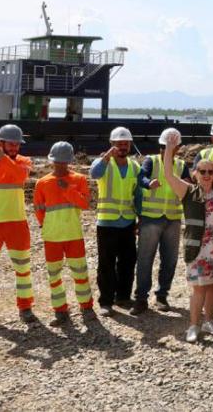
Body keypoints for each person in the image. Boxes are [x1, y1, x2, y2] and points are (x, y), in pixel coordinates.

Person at [161, 125, 213, 343]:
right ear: (195, 174)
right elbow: (168, 173)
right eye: (202, 171)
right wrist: (169, 148)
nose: (207, 175)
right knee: (198, 288)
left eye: (211, 171)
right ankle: (193, 326)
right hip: (198, 248)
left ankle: (209, 321)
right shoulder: (187, 191)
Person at [33, 142, 94, 326]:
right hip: (52, 237)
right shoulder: (42, 183)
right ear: (52, 161)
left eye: (63, 162)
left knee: (80, 272)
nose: (60, 166)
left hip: (73, 234)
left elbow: (85, 204)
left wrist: (67, 189)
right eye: (57, 162)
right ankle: (60, 311)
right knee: (54, 275)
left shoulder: (79, 179)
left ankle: (87, 307)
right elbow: (38, 209)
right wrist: (48, 225)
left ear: (69, 162)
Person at [131, 128, 190, 315]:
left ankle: (162, 295)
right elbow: (141, 177)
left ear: (178, 148)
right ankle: (141, 298)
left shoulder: (181, 166)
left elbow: (189, 185)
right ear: (161, 147)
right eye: (165, 146)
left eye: (172, 147)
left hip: (172, 219)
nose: (168, 150)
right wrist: (148, 183)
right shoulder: (152, 161)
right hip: (151, 218)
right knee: (145, 259)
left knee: (170, 260)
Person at [0, 125, 34, 323]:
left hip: (16, 222)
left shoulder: (24, 162)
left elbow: (20, 176)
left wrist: (2, 159)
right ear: (0, 143)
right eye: (10, 144)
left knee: (23, 268)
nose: (14, 148)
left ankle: (25, 306)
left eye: (17, 144)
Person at [90, 126, 140, 317]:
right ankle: (106, 301)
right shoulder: (103, 163)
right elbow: (93, 174)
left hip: (127, 221)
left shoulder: (134, 167)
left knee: (128, 262)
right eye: (118, 144)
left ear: (129, 145)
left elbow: (138, 195)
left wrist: (140, 218)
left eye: (125, 144)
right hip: (107, 222)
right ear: (112, 145)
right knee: (106, 264)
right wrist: (105, 157)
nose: (122, 147)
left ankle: (123, 297)